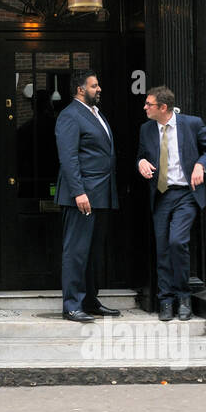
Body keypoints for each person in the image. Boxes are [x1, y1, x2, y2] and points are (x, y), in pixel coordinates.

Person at [137, 85, 206, 322]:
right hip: (161, 195)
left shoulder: (191, 124)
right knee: (162, 247)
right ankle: (166, 300)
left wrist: (202, 165)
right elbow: (141, 154)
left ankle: (183, 297)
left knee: (177, 241)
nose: (145, 107)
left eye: (148, 104)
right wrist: (140, 161)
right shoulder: (146, 129)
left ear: (163, 107)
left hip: (185, 195)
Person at [54, 69, 120, 322]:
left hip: (101, 194)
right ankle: (71, 305)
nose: (99, 89)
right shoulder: (70, 115)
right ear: (80, 89)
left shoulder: (95, 113)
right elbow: (69, 158)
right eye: (94, 86)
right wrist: (79, 192)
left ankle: (90, 301)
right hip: (82, 195)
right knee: (76, 251)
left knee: (93, 252)